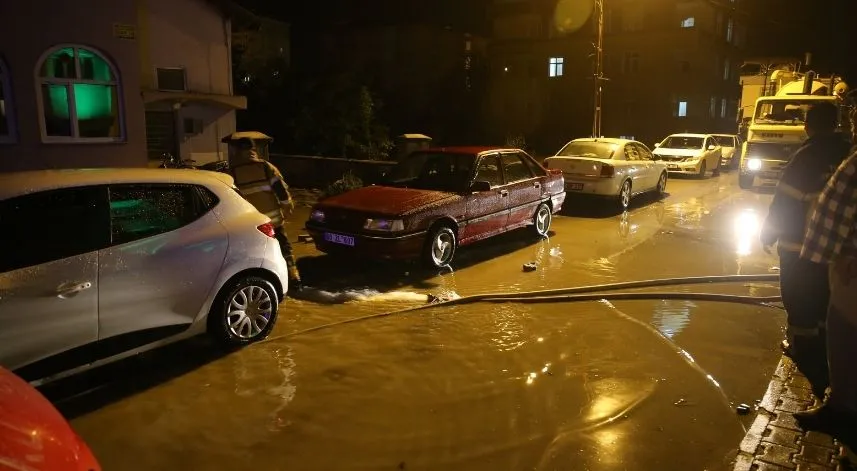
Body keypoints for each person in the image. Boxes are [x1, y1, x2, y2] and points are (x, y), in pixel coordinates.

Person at [760, 102, 851, 392]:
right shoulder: (846, 152)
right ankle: (826, 351)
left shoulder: (806, 157)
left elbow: (785, 201)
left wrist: (768, 233)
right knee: (824, 298)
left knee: (798, 299)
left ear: (808, 125)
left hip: (797, 244)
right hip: (833, 248)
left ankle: (804, 355)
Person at [795, 103, 857, 434]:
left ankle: (842, 409)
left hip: (849, 269)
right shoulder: (848, 152)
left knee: (845, 337)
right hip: (845, 261)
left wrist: (812, 263)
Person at [227, 137, 303, 292]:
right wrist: (287, 209)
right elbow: (281, 191)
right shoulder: (265, 167)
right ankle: (294, 280)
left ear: (238, 152)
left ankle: (256, 286)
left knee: (254, 254)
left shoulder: (232, 172)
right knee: (284, 250)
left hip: (250, 225)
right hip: (273, 222)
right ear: (254, 150)